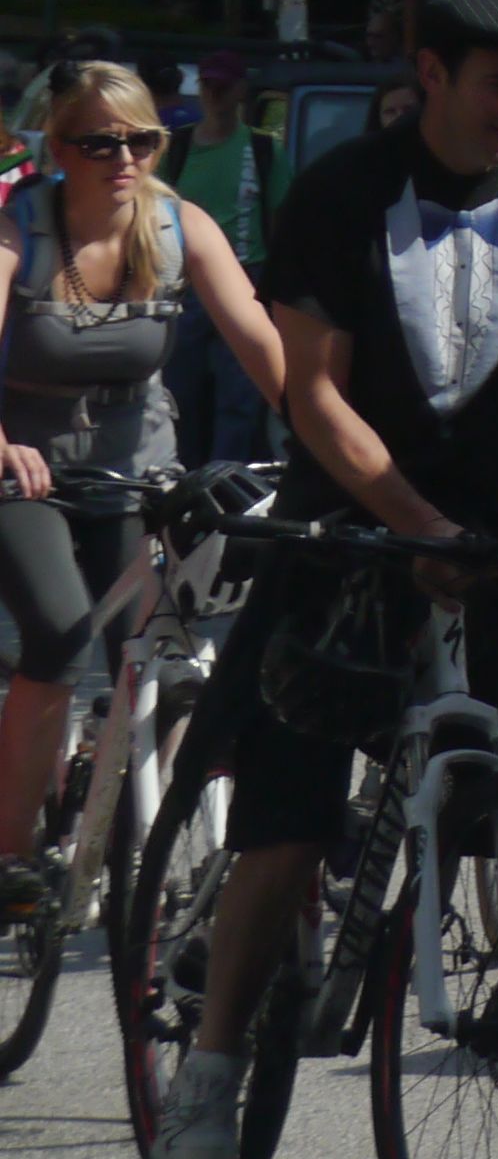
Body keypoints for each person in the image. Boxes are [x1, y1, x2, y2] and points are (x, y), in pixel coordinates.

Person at [161, 0, 498, 1159]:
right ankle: (210, 1073)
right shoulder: (341, 190)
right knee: (285, 825)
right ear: (429, 72)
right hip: (354, 523)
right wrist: (413, 520)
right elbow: (312, 393)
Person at [0, 61, 284, 907]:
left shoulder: (178, 226)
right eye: (99, 143)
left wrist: (323, 433)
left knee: (159, 645)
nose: (124, 159)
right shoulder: (18, 230)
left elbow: (259, 339)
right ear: (59, 149)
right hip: (27, 467)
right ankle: (10, 856)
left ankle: (144, 829)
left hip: (135, 466)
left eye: (142, 141)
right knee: (59, 629)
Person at [164, 64, 279, 467]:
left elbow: (283, 216)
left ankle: (227, 478)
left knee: (240, 396)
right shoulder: (178, 146)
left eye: (223, 86)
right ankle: (179, 474)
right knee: (179, 392)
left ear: (241, 89)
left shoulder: (263, 148)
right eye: (208, 85)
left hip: (248, 278)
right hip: (182, 283)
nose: (214, 94)